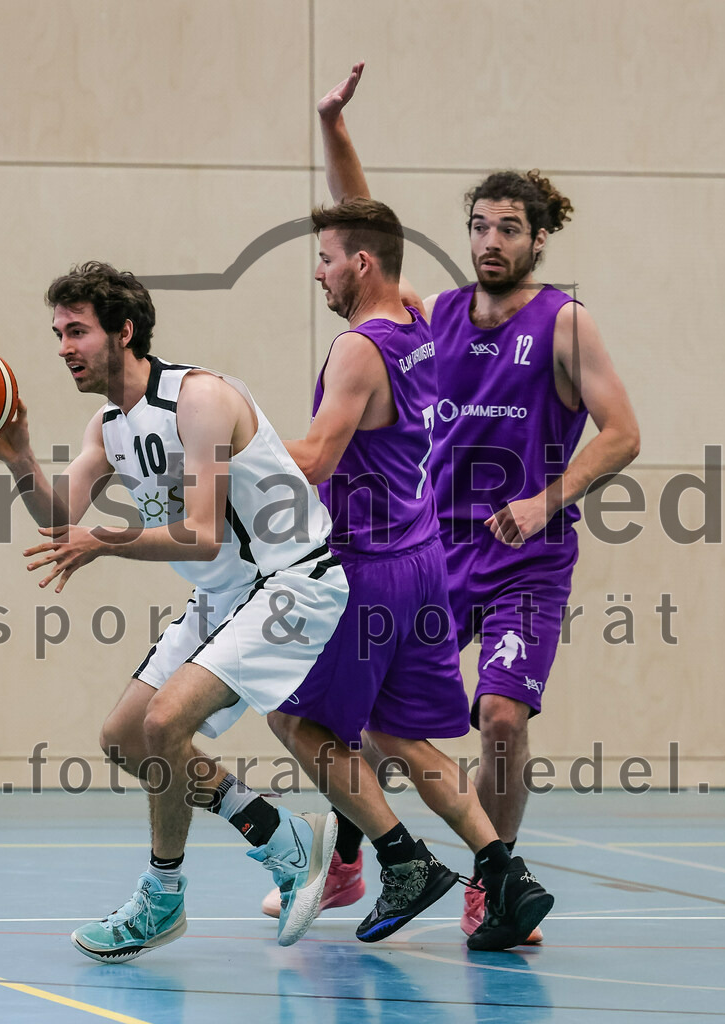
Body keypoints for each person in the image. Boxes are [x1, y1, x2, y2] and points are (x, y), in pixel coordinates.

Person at [313, 63, 641, 939]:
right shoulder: (434, 313)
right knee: (370, 716)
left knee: (498, 717)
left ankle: (489, 883)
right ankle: (351, 865)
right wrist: (335, 130)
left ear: (538, 240)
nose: (491, 240)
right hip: (433, 552)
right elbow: (364, 237)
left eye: (508, 228)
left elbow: (622, 433)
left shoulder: (565, 324)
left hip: (526, 558)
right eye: (478, 227)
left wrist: (546, 499)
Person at [0, 261, 351, 961]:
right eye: (58, 332)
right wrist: (19, 456)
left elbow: (204, 531)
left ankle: (172, 888)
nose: (64, 346)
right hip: (223, 595)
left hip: (290, 581)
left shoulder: (200, 398)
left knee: (163, 721)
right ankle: (282, 838)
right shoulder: (109, 423)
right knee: (126, 735)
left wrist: (106, 541)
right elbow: (61, 516)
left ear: (125, 331)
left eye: (78, 331)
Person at [262, 194, 555, 950]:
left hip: (370, 568)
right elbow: (378, 230)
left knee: (296, 722)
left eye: (325, 259)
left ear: (360, 264)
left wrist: (224, 438)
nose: (318, 274)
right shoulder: (419, 322)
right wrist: (334, 131)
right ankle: (503, 874)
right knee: (401, 737)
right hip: (425, 559)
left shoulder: (357, 349)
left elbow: (318, 459)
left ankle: (401, 862)